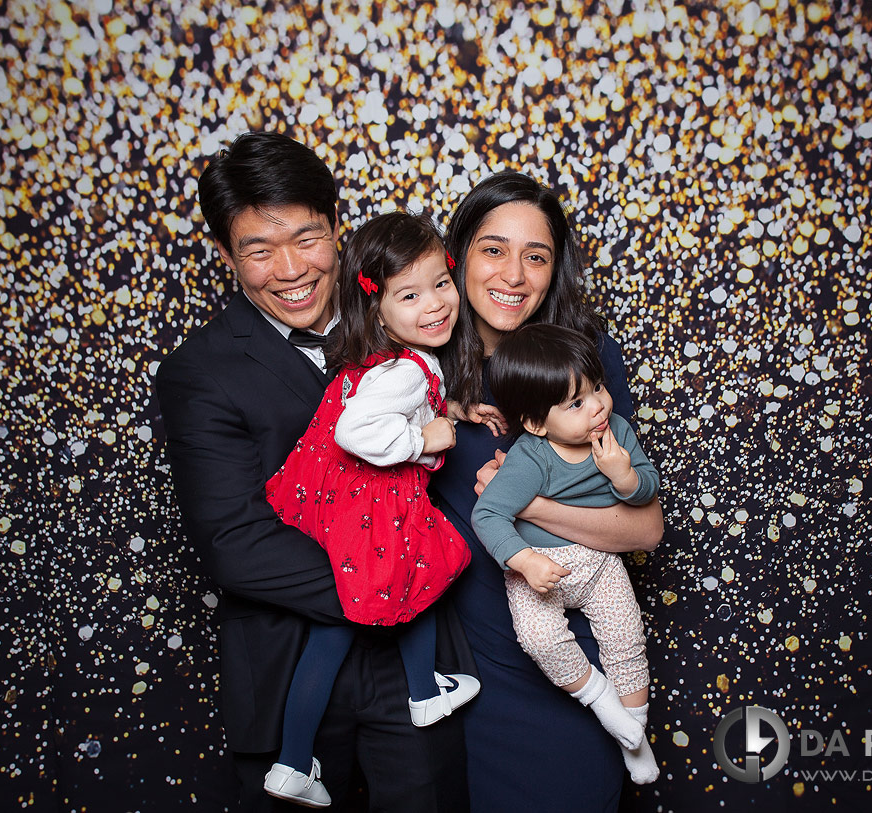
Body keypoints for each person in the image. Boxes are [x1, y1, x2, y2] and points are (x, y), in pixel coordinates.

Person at [155, 132, 473, 812]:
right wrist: (388, 585)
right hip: (289, 668)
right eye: (259, 249)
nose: (290, 268)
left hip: (414, 670)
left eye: (307, 238)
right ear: (224, 256)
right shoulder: (198, 372)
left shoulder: (411, 319)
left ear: (338, 224)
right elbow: (237, 545)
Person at [432, 171, 664, 812]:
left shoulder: (584, 359)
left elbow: (645, 529)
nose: (513, 274)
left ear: (554, 269)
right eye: (493, 249)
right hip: (453, 671)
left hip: (567, 660)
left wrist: (528, 504)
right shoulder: (413, 363)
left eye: (536, 256)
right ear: (457, 256)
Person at [261, 212, 480, 806]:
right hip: (372, 508)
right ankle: (423, 690)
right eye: (410, 295)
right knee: (428, 571)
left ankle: (291, 762)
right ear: (376, 306)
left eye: (442, 283)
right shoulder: (402, 370)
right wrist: (423, 441)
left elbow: (402, 403)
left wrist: (455, 413)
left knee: (331, 636)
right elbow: (361, 431)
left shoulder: (389, 360)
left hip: (336, 504)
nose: (435, 305)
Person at [471, 323, 660, 786]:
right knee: (540, 639)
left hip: (598, 563)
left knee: (625, 637)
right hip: (539, 564)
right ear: (537, 423)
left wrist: (625, 477)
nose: (597, 405)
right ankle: (603, 703)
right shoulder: (529, 458)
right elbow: (488, 515)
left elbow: (648, 493)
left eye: (597, 388)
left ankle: (634, 734)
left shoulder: (615, 432)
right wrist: (524, 561)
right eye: (576, 403)